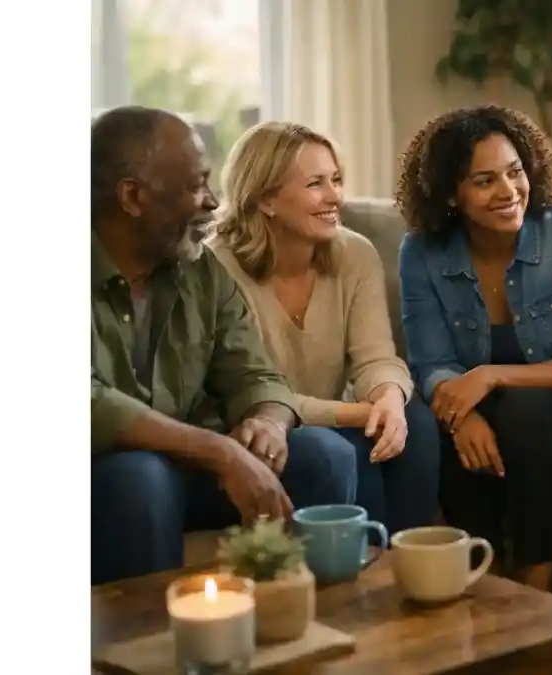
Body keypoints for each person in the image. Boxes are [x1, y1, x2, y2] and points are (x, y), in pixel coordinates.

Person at [91, 107, 356, 585]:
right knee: (140, 476)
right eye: (196, 185)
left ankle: (307, 617)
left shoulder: (198, 270)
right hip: (109, 479)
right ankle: (150, 633)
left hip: (193, 468)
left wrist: (267, 421)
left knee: (324, 453)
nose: (213, 202)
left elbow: (255, 373)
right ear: (132, 196)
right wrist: (220, 452)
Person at [396, 105, 552, 591]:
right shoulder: (421, 251)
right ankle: (484, 585)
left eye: (515, 172)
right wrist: (463, 417)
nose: (509, 191)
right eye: (484, 181)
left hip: (551, 408)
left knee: (523, 411)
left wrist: (490, 376)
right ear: (450, 193)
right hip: (470, 405)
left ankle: (538, 589)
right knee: (436, 427)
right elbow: (431, 363)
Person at [207, 121, 440, 540]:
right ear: (266, 199)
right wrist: (357, 413)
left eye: (336, 180)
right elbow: (250, 393)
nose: (335, 197)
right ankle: (367, 563)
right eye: (315, 184)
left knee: (414, 422)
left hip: (334, 417)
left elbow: (375, 357)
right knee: (348, 446)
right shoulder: (217, 268)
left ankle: (410, 558)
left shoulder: (355, 254)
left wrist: (388, 398)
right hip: (265, 427)